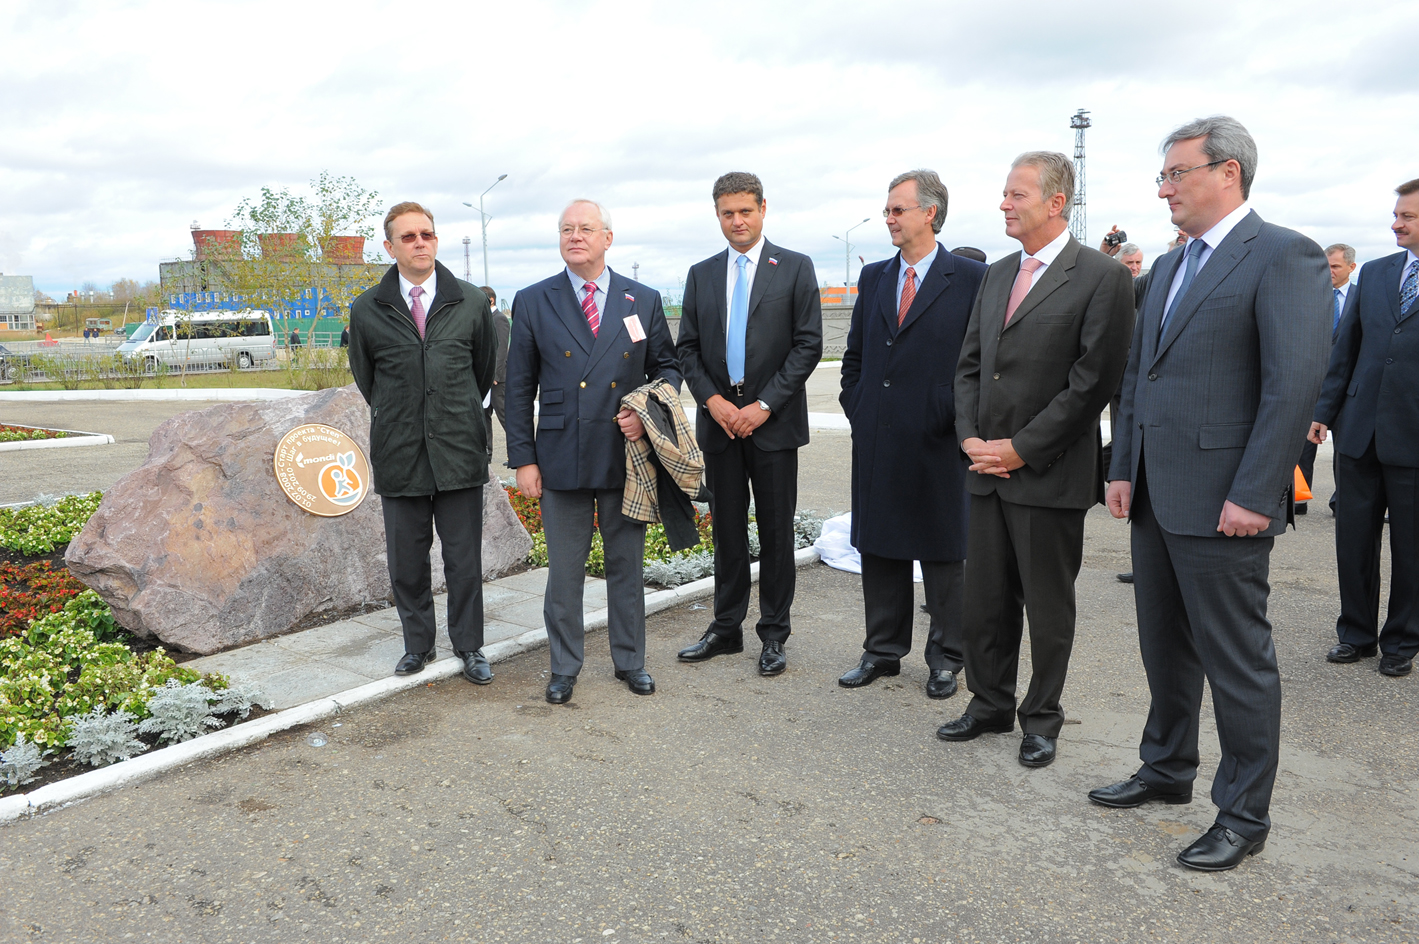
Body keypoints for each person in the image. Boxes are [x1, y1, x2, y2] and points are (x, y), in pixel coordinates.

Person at [1090, 117, 1331, 872]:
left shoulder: (1282, 254)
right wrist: (1120, 465)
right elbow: (1139, 376)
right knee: (1163, 645)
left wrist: (1257, 491)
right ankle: (1165, 770)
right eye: (1162, 176)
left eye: (1175, 174)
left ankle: (1242, 814)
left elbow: (1290, 384)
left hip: (1228, 499)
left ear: (1226, 173)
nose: (1163, 188)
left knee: (1236, 660)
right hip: (1158, 492)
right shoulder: (1166, 268)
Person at [942, 151, 1134, 769]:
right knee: (984, 602)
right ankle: (989, 702)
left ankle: (1042, 717)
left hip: (1046, 475)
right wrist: (971, 438)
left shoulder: (1102, 277)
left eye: (1016, 195)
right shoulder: (996, 274)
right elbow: (970, 364)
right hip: (983, 470)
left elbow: (1092, 383)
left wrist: (1021, 449)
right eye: (1003, 193)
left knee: (1048, 608)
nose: (1003, 203)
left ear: (1057, 203)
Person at [506, 199, 681, 704]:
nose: (574, 236)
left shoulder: (641, 299)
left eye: (585, 229)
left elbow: (668, 368)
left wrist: (644, 405)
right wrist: (523, 459)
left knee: (626, 565)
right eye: (566, 229)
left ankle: (631, 661)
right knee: (564, 572)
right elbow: (517, 388)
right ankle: (564, 666)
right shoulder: (535, 299)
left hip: (624, 453)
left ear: (608, 238)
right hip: (560, 453)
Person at [837, 170, 986, 699]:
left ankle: (947, 657)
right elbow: (854, 354)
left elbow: (980, 361)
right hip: (877, 434)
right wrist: (856, 403)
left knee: (944, 552)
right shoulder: (875, 276)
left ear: (930, 213)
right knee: (880, 548)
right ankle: (882, 650)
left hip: (940, 438)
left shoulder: (969, 278)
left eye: (898, 209)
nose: (889, 218)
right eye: (887, 209)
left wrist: (951, 412)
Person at [674, 172, 823, 677]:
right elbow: (687, 348)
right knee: (728, 532)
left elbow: (808, 345)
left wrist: (763, 406)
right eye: (726, 213)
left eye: (745, 211)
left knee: (777, 532)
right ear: (717, 215)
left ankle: (774, 634)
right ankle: (726, 628)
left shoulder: (796, 268)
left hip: (772, 424)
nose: (736, 221)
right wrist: (713, 401)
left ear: (763, 209)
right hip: (719, 422)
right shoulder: (701, 273)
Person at [348, 201, 498, 685]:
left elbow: (482, 374)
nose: (420, 243)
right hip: (401, 453)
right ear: (390, 247)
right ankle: (418, 646)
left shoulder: (470, 302)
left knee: (463, 561)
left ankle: (470, 647)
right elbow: (368, 380)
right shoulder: (368, 307)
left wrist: (449, 415)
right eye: (409, 237)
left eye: (427, 235)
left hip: (458, 450)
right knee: (407, 563)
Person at [1309, 181, 1419, 678]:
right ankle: (1356, 633)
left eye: (1408, 216)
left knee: (1412, 547)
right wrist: (1324, 412)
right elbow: (1345, 350)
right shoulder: (1373, 274)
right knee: (1353, 539)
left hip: (1414, 437)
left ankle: (1402, 641)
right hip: (1359, 431)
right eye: (1397, 214)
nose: (1396, 223)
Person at [1296, 243, 1358, 515]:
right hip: (1311, 383)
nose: (1329, 271)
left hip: (1346, 385)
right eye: (1326, 265)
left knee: (1344, 448)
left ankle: (1341, 500)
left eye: (1335, 266)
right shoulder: (1307, 295)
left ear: (1351, 267)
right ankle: (1298, 497)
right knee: (1304, 443)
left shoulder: (1363, 296)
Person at [481, 285, 511, 438]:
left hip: (497, 380)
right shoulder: (484, 319)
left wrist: (495, 375)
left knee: (506, 417)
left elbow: (501, 349)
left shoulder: (500, 319)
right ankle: (487, 456)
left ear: (491, 300)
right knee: (484, 417)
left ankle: (517, 456)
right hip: (485, 378)